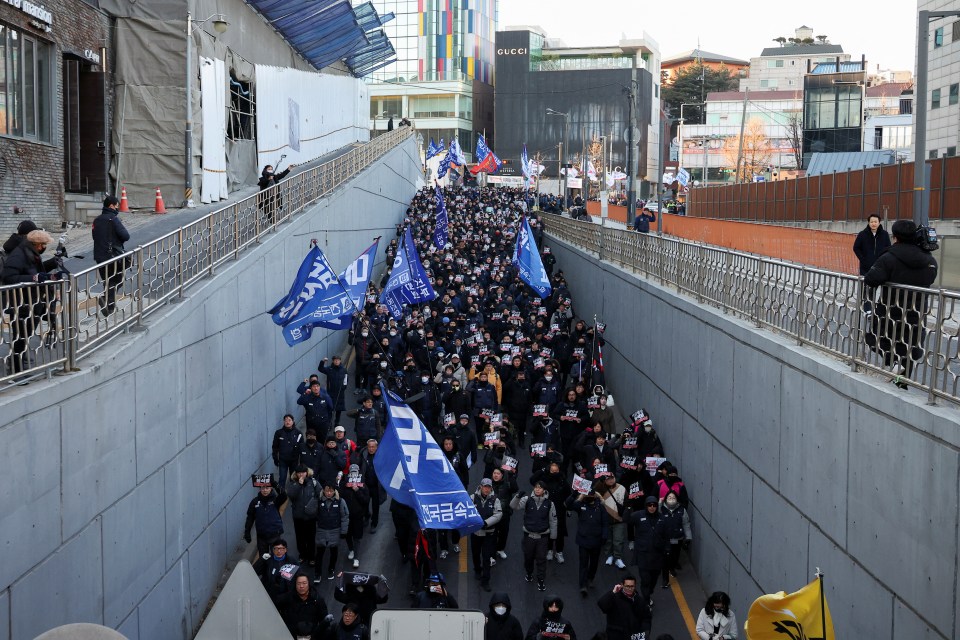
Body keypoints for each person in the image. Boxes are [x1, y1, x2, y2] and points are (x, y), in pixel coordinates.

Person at [864, 219, 938, 387]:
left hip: (890, 311)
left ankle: (894, 364)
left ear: (895, 236)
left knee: (877, 339)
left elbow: (871, 278)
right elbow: (931, 278)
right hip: (916, 313)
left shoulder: (889, 257)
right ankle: (901, 383)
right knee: (909, 349)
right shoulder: (929, 260)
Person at [1, 229, 60, 373]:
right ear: (38, 244)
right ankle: (15, 370)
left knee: (24, 336)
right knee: (20, 337)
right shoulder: (19, 255)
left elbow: (34, 271)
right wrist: (33, 279)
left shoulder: (30, 253)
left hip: (32, 302)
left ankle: (18, 365)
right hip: (21, 303)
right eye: (44, 245)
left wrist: (51, 267)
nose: (45, 247)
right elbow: (8, 277)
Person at [510, 479, 558, 592]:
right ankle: (529, 573)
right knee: (528, 557)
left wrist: (553, 537)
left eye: (540, 487)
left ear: (544, 490)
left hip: (542, 537)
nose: (537, 489)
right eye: (536, 487)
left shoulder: (550, 504)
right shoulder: (527, 499)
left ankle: (541, 580)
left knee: (541, 559)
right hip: (529, 536)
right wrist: (517, 496)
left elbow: (553, 520)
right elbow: (513, 506)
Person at [91, 194, 131, 317]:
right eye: (116, 206)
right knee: (117, 280)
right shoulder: (113, 219)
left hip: (99, 256)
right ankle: (108, 304)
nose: (117, 208)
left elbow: (95, 237)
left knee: (108, 281)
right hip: (113, 256)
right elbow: (126, 236)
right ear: (111, 206)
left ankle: (108, 304)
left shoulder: (96, 220)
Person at [565, 485, 608, 597]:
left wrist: (604, 537)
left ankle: (590, 578)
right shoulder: (581, 505)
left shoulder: (601, 508)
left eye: (590, 495)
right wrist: (575, 494)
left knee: (594, 563)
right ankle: (582, 585)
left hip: (596, 541)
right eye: (587, 495)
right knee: (583, 564)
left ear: (594, 496)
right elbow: (568, 505)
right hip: (583, 540)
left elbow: (605, 523)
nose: (589, 497)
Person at [630, 496, 668, 606]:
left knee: (654, 579)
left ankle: (648, 593)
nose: (652, 507)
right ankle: (646, 602)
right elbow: (627, 520)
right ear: (646, 506)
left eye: (654, 505)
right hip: (643, 554)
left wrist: (667, 548)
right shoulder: (638, 515)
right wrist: (631, 539)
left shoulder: (662, 519)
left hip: (657, 556)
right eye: (649, 505)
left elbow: (666, 535)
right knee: (645, 580)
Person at [277, 572, 331, 640]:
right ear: (295, 585)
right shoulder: (288, 598)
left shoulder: (318, 600)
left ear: (309, 584)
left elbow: (325, 623)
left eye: (304, 583)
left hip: (312, 636)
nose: (301, 586)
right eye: (298, 583)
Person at [596, 575, 652, 640]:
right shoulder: (614, 598)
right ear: (622, 585)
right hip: (615, 636)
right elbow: (602, 605)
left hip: (633, 636)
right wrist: (613, 592)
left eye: (632, 586)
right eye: (627, 586)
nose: (630, 589)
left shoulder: (639, 600)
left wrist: (644, 633)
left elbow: (646, 618)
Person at [471, 478, 503, 592]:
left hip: (488, 534)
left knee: (486, 557)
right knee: (475, 554)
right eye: (484, 486)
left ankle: (485, 580)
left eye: (488, 487)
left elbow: (498, 514)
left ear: (491, 488)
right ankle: (477, 570)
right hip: (475, 533)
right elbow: (467, 511)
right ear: (480, 486)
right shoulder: (472, 498)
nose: (486, 489)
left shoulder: (495, 500)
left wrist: (486, 523)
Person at [286, 464, 322, 566]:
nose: (301, 474)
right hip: (298, 516)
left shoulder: (313, 482)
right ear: (296, 474)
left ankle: (311, 557)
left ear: (307, 472)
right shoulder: (293, 483)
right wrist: (298, 485)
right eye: (299, 473)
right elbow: (291, 495)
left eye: (303, 472)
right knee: (300, 537)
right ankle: (302, 555)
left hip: (311, 515)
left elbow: (320, 494)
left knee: (311, 537)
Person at [315, 482, 349, 580]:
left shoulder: (340, 501)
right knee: (319, 553)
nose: (329, 493)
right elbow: (310, 511)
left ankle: (331, 569)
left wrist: (344, 531)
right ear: (323, 491)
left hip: (335, 530)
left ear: (334, 491)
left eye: (331, 491)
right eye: (327, 491)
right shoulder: (318, 501)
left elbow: (345, 516)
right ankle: (317, 573)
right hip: (321, 530)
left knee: (334, 552)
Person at [243, 479, 288, 555]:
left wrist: (275, 484)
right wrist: (247, 531)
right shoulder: (254, 502)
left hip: (275, 535)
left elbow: (284, 495)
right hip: (262, 536)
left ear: (271, 488)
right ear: (260, 489)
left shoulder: (275, 500)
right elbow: (250, 517)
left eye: (267, 488)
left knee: (277, 556)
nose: (265, 490)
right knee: (263, 559)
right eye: (263, 488)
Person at [339, 464, 370, 569]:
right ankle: (351, 549)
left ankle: (356, 558)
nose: (353, 474)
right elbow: (340, 496)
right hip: (347, 516)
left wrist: (357, 491)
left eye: (355, 472)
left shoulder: (363, 485)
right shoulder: (344, 484)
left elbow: (366, 500)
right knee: (347, 534)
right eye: (352, 472)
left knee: (357, 537)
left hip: (358, 515)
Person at [659, 490, 692, 588]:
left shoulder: (682, 510)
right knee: (665, 557)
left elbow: (686, 524)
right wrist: (659, 503)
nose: (671, 500)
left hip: (678, 538)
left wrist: (688, 537)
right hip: (665, 539)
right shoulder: (661, 509)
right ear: (665, 499)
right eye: (669, 498)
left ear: (677, 500)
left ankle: (672, 567)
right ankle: (665, 578)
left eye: (673, 498)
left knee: (675, 555)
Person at [253, 538, 299, 604]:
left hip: (286, 595)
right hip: (270, 595)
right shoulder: (268, 560)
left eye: (281, 548)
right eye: (276, 548)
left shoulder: (291, 561)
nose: (279, 551)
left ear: (285, 550)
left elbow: (299, 576)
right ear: (273, 550)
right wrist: (261, 560)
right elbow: (255, 571)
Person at [853, 214, 891, 278]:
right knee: (865, 286)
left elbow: (888, 248)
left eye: (875, 222)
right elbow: (856, 248)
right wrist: (863, 259)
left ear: (879, 223)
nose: (873, 224)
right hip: (865, 267)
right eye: (871, 222)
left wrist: (883, 260)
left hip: (880, 266)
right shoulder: (862, 234)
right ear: (868, 223)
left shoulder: (885, 234)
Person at [272, 414, 304, 491]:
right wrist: (275, 458)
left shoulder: (298, 433)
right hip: (283, 460)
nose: (287, 422)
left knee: (293, 478)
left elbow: (302, 448)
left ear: (293, 422)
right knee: (282, 478)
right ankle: (281, 495)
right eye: (285, 420)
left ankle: (293, 494)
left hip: (294, 460)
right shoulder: (279, 433)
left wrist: (302, 461)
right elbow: (275, 447)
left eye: (289, 420)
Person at [319, 355, 350, 426]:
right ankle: (329, 423)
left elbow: (346, 379)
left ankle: (337, 422)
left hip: (340, 392)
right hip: (331, 392)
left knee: (339, 409)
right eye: (335, 360)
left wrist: (344, 387)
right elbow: (320, 369)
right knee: (330, 408)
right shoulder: (329, 369)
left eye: (338, 360)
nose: (336, 361)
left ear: (340, 361)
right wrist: (322, 362)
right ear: (333, 361)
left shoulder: (344, 370)